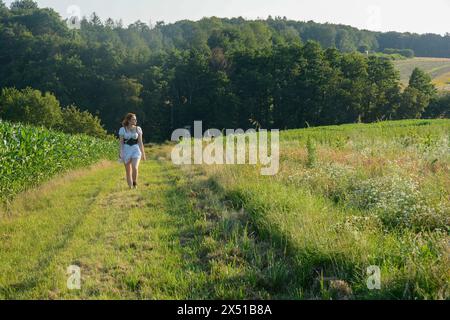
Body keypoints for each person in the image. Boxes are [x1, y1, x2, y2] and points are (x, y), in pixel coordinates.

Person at [119, 113, 146, 189]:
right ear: (129, 120)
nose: (135, 120)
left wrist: (143, 154)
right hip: (126, 150)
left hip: (135, 150)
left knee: (135, 167)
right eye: (134, 119)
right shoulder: (122, 129)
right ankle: (130, 187)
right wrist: (120, 152)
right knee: (128, 171)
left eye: (135, 119)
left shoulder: (138, 129)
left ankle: (134, 183)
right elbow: (121, 143)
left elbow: (140, 142)